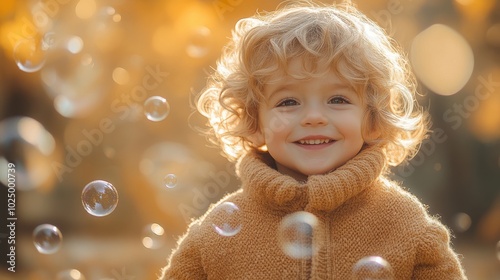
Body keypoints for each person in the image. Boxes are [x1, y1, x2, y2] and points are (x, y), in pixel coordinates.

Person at [159, 1, 467, 279]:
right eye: (288, 102)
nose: (313, 117)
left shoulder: (405, 224)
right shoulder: (213, 239)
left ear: (372, 119)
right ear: (255, 122)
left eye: (337, 99)